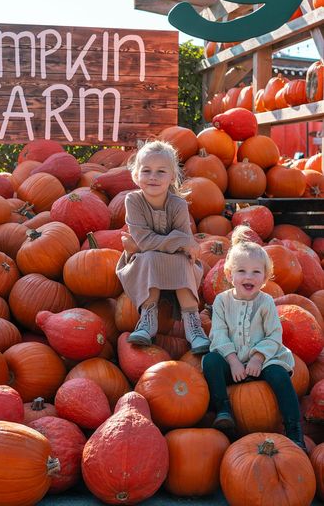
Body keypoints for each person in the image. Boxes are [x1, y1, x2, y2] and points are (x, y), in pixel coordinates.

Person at [202, 225, 306, 450]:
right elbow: (218, 334)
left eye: (256, 272)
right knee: (209, 361)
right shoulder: (221, 301)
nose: (248, 277)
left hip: (264, 361)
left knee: (280, 376)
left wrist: (258, 358)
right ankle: (224, 410)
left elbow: (273, 335)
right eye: (241, 271)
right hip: (233, 362)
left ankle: (294, 430)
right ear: (230, 275)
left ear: (266, 277)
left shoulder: (266, 302)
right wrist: (233, 361)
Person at [116, 140, 210, 353]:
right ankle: (148, 319)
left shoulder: (178, 205)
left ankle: (192, 325)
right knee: (150, 257)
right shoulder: (133, 201)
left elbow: (183, 243)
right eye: (146, 171)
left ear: (172, 177)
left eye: (161, 171)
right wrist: (179, 241)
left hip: (173, 260)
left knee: (183, 261)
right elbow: (145, 242)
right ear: (136, 175)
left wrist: (181, 242)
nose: (153, 177)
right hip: (141, 260)